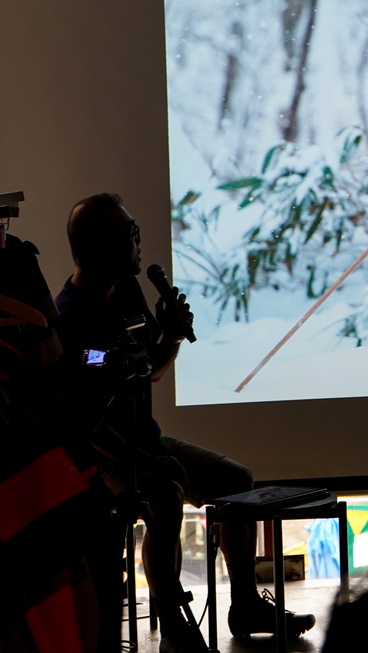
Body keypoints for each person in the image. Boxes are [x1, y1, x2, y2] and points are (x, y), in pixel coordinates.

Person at [52, 193, 314, 651]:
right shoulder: (70, 316)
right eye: (128, 233)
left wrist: (170, 334)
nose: (138, 240)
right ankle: (173, 624)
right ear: (101, 247)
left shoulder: (129, 291)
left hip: (146, 442)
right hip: (105, 455)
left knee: (236, 479)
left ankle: (246, 605)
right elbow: (84, 418)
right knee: (164, 495)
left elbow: (150, 366)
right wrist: (144, 463)